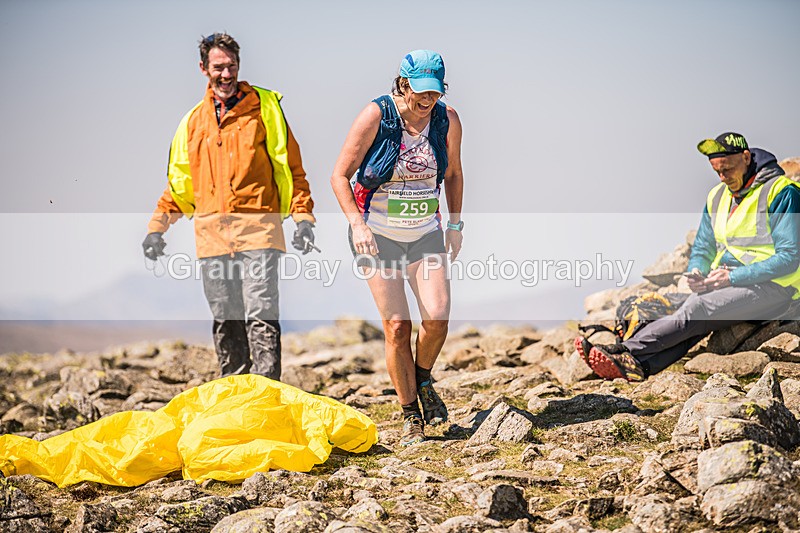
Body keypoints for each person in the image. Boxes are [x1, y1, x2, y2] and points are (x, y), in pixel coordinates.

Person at [142, 33, 316, 380]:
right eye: (218, 67)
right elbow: (180, 186)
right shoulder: (193, 122)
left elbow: (292, 170)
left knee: (261, 313)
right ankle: (234, 395)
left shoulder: (265, 109)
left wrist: (303, 219)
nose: (226, 74)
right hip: (212, 238)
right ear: (203, 68)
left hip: (259, 232)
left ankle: (267, 394)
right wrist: (156, 229)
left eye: (232, 66)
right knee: (225, 317)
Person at [576, 132, 800, 381]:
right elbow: (703, 247)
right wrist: (696, 271)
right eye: (717, 172)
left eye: (727, 169)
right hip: (731, 284)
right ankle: (640, 366)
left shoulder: (783, 192)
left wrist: (732, 277)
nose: (723, 178)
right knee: (686, 313)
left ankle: (625, 352)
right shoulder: (718, 196)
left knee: (698, 308)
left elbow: (790, 257)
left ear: (746, 157)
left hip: (779, 289)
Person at [330, 50, 464, 446]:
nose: (427, 101)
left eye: (435, 93)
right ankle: (410, 417)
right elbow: (339, 175)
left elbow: (454, 172)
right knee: (398, 326)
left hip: (425, 233)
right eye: (420, 92)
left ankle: (422, 379)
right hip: (377, 234)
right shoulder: (377, 116)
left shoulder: (447, 119)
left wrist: (454, 225)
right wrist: (356, 224)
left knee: (437, 317)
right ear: (403, 84)